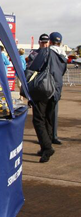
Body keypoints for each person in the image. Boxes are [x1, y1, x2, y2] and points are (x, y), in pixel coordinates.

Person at [29, 32, 67, 163]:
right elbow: (62, 72)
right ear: (60, 42)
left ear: (50, 42)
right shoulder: (63, 55)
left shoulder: (46, 52)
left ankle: (47, 147)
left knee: (38, 119)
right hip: (56, 90)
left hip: (44, 89)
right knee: (48, 119)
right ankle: (46, 146)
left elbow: (34, 67)